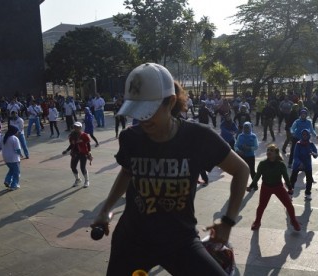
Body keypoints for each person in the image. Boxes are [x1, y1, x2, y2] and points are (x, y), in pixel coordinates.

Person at [91, 63, 249, 276]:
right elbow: (128, 172)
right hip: (132, 240)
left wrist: (228, 221)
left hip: (180, 240)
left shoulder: (198, 137)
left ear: (171, 102)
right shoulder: (131, 138)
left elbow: (241, 170)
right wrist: (105, 210)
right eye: (137, 111)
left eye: (149, 111)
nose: (143, 119)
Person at [249, 144, 301, 231]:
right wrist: (252, 185)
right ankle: (257, 222)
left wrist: (289, 187)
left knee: (289, 205)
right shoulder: (262, 164)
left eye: (271, 150)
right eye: (268, 150)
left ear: (276, 154)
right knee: (261, 206)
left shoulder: (281, 165)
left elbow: (286, 177)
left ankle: (293, 220)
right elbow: (257, 176)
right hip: (266, 187)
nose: (269, 152)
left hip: (278, 187)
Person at [288, 129, 318, 200]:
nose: (304, 136)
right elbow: (295, 155)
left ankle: (308, 193)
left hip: (307, 164)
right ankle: (290, 193)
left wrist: (313, 154)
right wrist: (300, 163)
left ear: (308, 135)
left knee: (309, 180)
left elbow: (316, 154)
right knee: (293, 179)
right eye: (303, 134)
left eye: (306, 134)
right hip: (297, 165)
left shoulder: (311, 144)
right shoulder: (298, 144)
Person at [62, 122, 92, 188]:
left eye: (78, 127)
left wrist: (89, 152)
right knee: (73, 167)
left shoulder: (84, 135)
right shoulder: (71, 135)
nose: (76, 128)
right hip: (74, 153)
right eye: (75, 127)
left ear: (81, 128)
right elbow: (72, 144)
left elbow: (88, 144)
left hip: (83, 153)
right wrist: (66, 150)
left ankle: (87, 181)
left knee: (82, 168)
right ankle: (78, 179)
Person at [236, 122, 259, 189]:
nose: (246, 129)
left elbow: (256, 146)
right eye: (245, 127)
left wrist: (249, 148)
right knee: (242, 171)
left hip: (250, 157)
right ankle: (241, 185)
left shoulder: (253, 136)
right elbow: (236, 145)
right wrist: (238, 151)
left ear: (250, 128)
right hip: (242, 157)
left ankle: (255, 185)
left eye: (248, 127)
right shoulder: (240, 136)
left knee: (252, 171)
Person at [1, 125, 22, 191]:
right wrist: (21, 155)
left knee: (11, 170)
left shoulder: (3, 137)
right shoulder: (14, 138)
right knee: (16, 173)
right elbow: (18, 149)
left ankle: (7, 180)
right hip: (14, 158)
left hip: (6, 158)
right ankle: (14, 185)